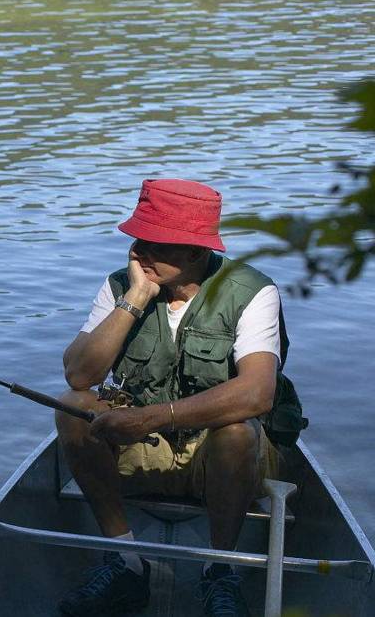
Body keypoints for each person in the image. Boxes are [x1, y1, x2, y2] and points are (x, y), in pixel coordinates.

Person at [56, 179, 305, 616]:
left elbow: (258, 392)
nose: (138, 252)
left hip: (222, 460)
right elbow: (80, 374)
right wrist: (134, 299)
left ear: (196, 251)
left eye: (155, 244)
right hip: (146, 454)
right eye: (138, 238)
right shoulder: (121, 286)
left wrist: (152, 417)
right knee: (74, 407)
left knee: (235, 429)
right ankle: (127, 562)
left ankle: (219, 570)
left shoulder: (252, 291)